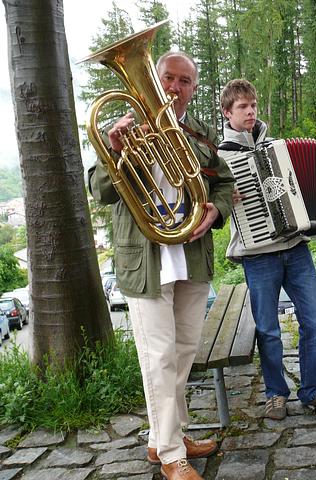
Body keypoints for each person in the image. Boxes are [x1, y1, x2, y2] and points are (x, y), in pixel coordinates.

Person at [88, 51, 235, 480]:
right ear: (154, 78)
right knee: (159, 358)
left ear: (193, 88)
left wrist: (217, 210)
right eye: (168, 77)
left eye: (184, 81)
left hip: (191, 255)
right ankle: (172, 455)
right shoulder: (126, 129)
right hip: (146, 261)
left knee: (184, 351)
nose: (174, 87)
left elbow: (224, 182)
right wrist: (115, 151)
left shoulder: (200, 132)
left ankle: (164, 436)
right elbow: (100, 190)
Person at [217, 79, 316, 420]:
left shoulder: (276, 148)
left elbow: (311, 190)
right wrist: (222, 196)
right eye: (242, 107)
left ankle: (312, 390)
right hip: (257, 254)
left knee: (314, 319)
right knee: (268, 329)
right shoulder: (221, 158)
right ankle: (275, 394)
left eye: (253, 105)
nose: (250, 112)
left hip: (295, 248)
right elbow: (209, 202)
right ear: (227, 113)